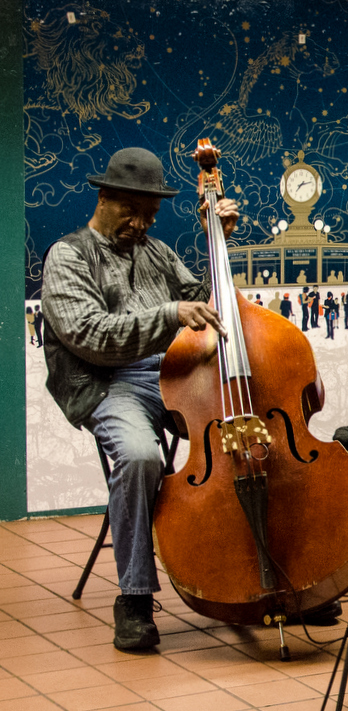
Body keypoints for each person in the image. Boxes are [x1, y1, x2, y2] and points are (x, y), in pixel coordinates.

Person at [40, 146, 237, 651]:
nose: (142, 224)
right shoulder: (68, 256)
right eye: (133, 211)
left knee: (244, 430)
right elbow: (91, 336)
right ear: (105, 198)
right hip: (107, 382)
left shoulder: (155, 252)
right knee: (139, 455)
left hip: (172, 372)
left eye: (150, 215)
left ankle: (263, 570)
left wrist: (221, 243)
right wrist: (169, 315)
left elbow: (211, 305)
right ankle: (133, 596)